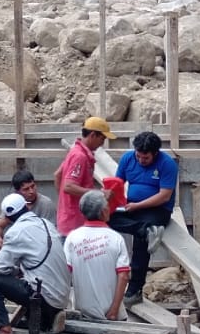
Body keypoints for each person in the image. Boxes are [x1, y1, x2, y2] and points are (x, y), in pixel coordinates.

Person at [0, 193, 71, 334]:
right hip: (61, 297)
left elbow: (0, 267)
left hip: (43, 297)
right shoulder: (46, 223)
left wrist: (15, 270)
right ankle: (47, 320)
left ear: (7, 217)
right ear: (26, 206)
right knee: (30, 276)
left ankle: (2, 332)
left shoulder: (16, 232)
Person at [107, 130, 178, 306]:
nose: (141, 160)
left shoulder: (167, 164)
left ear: (155, 153)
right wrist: (109, 201)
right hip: (132, 205)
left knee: (140, 244)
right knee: (105, 217)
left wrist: (137, 206)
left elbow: (164, 196)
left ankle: (135, 289)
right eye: (138, 156)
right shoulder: (127, 159)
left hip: (157, 209)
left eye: (145, 158)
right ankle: (146, 230)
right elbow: (117, 185)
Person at [64, 190, 131, 321]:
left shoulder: (72, 238)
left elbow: (65, 274)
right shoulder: (116, 239)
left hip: (82, 312)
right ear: (103, 211)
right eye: (107, 205)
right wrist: (114, 310)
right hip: (112, 315)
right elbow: (123, 276)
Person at [0, 168, 56, 269]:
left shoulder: (46, 204)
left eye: (33, 186)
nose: (31, 191)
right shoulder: (13, 202)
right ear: (18, 192)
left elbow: (50, 235)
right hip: (13, 243)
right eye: (26, 189)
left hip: (34, 246)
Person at [54, 117, 115, 237]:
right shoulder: (80, 156)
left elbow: (58, 175)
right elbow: (68, 186)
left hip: (69, 218)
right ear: (92, 135)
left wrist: (64, 204)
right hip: (75, 223)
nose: (102, 143)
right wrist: (99, 194)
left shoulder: (75, 152)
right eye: (102, 139)